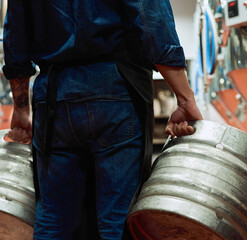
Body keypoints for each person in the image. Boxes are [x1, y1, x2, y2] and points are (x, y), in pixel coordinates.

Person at [3, 0, 203, 239]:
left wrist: (21, 107)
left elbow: (15, 33)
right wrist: (184, 98)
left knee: (53, 220)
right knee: (116, 223)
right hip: (116, 89)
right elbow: (150, 18)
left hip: (54, 95)